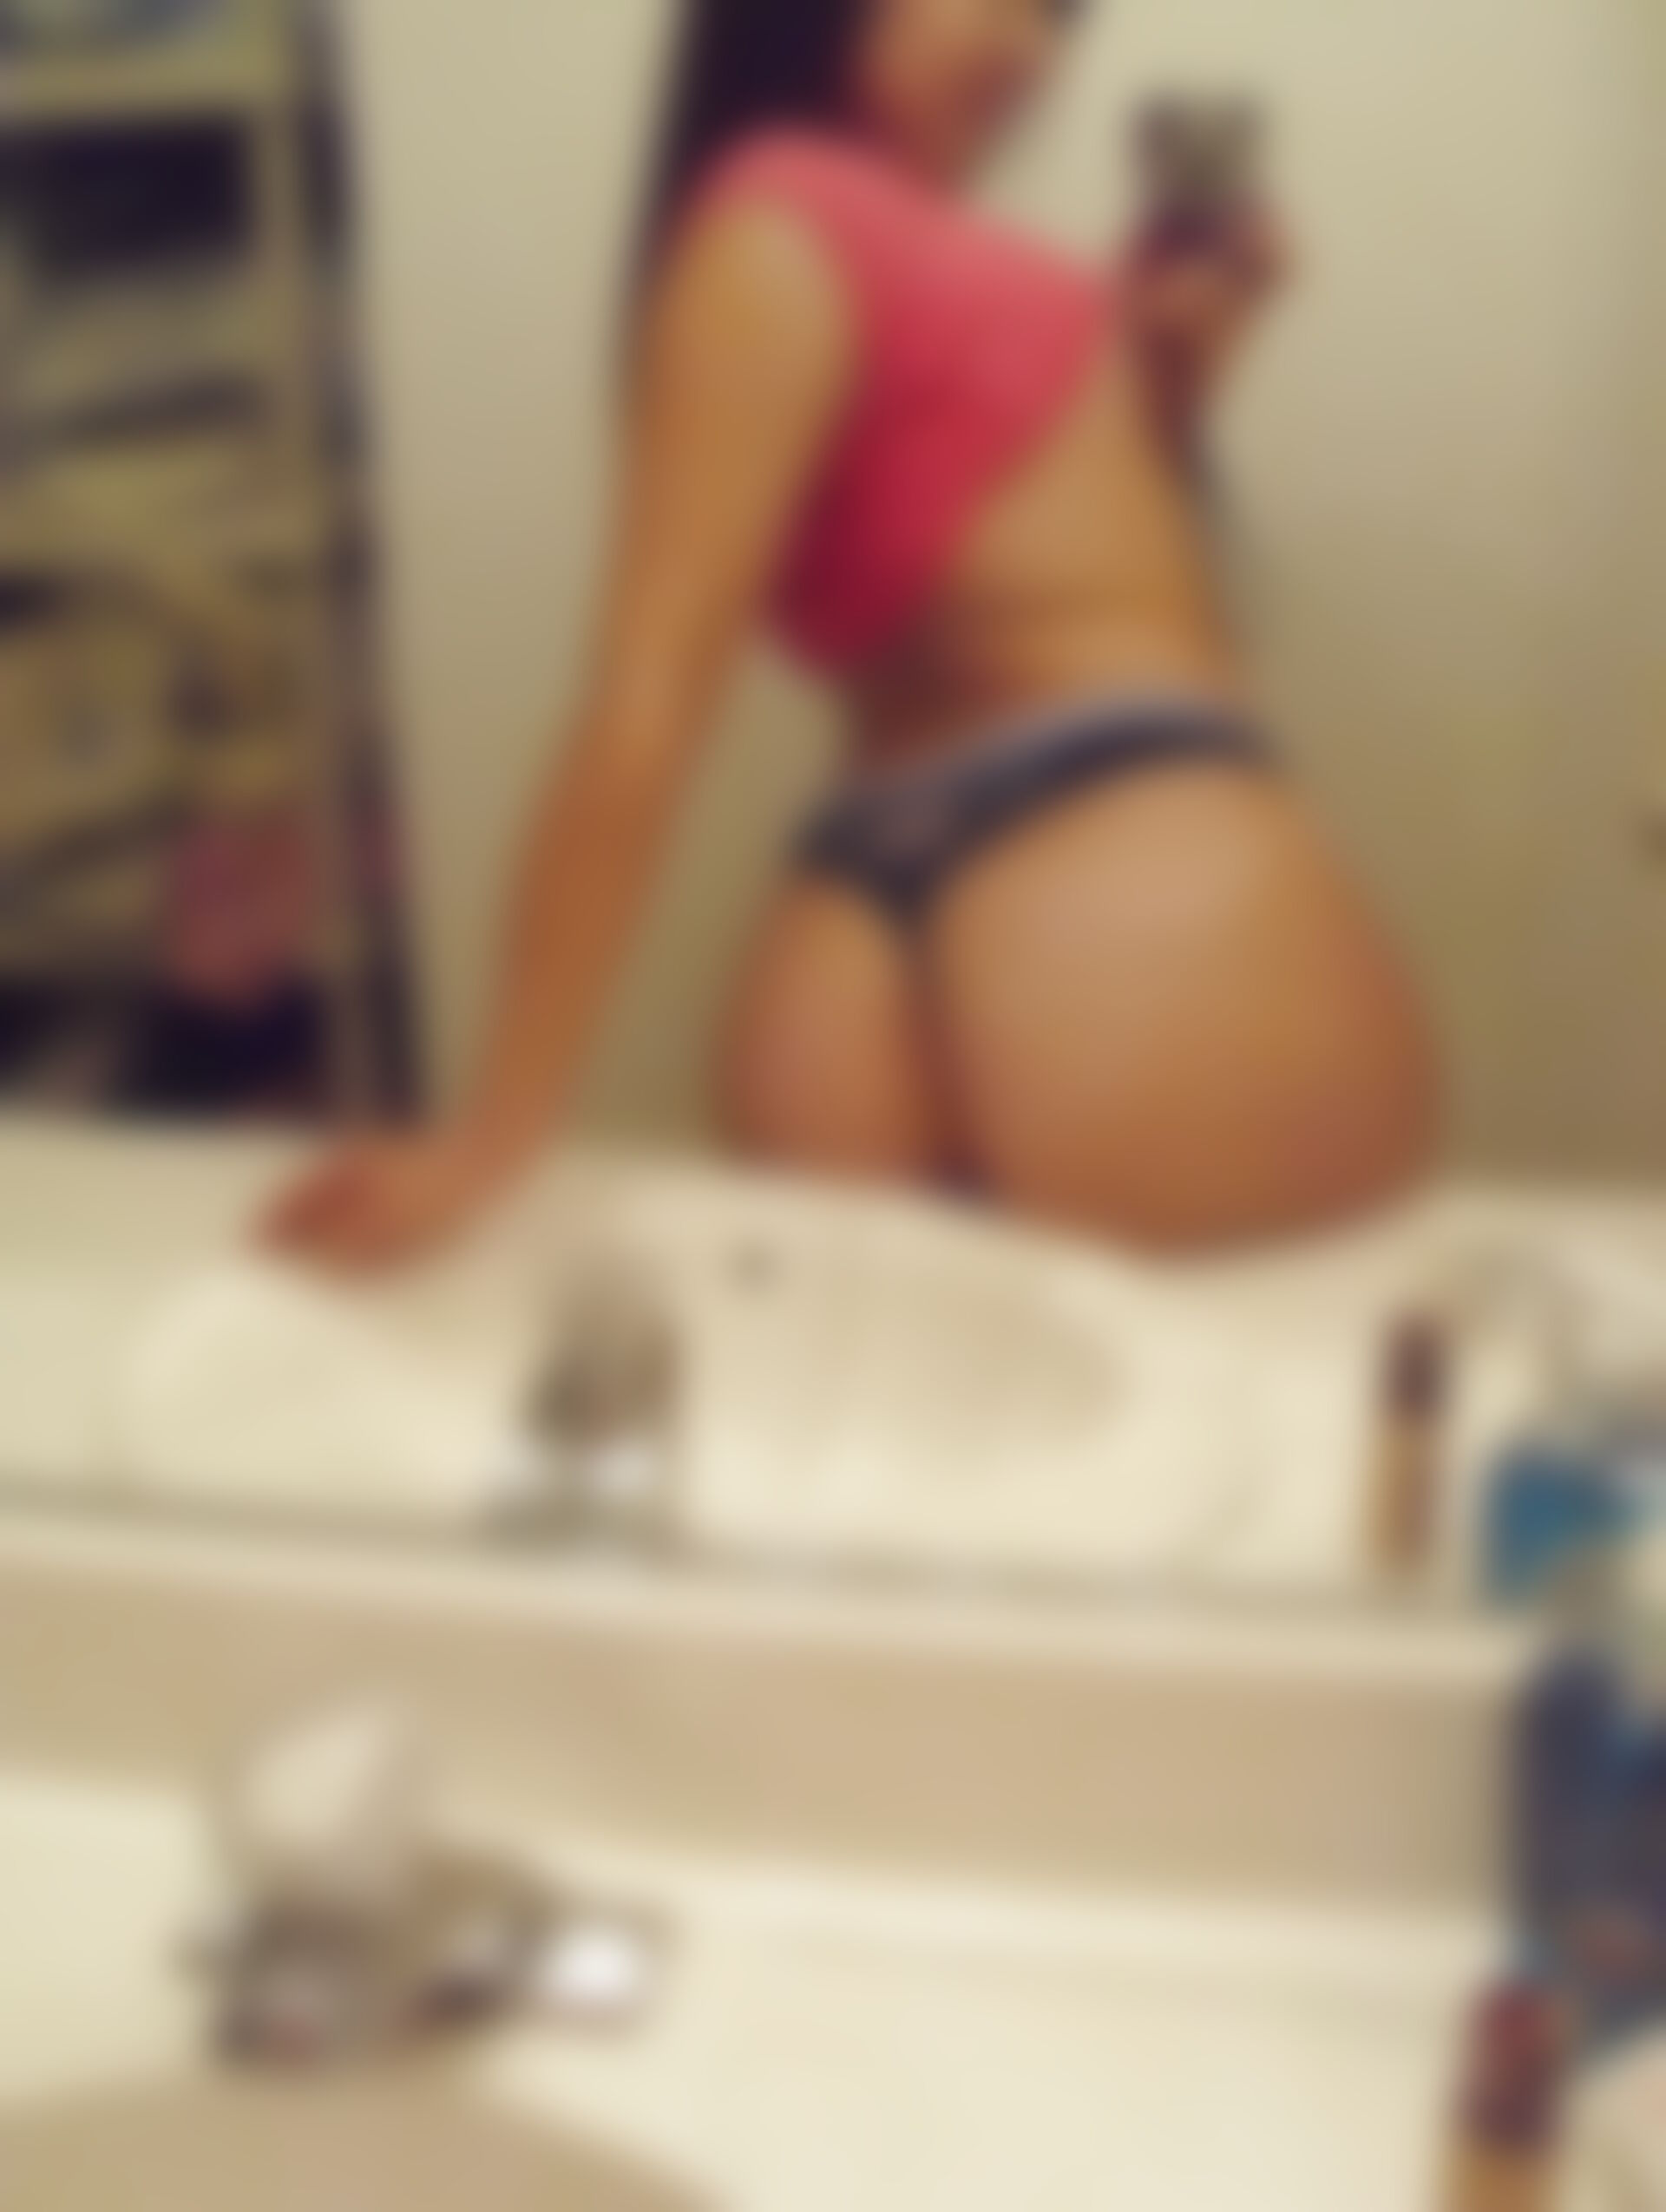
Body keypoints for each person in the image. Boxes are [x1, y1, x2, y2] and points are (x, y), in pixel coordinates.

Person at [269, 0, 1438, 1273]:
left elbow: (1001, 559)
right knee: (1247, 1380)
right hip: (1116, 826)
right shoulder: (784, 215)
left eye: (1059, 17)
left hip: (872, 886)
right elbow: (647, 704)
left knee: (874, 1390)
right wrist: (493, 1135)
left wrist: (1169, 376)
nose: (1031, 51)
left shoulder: (819, 241)